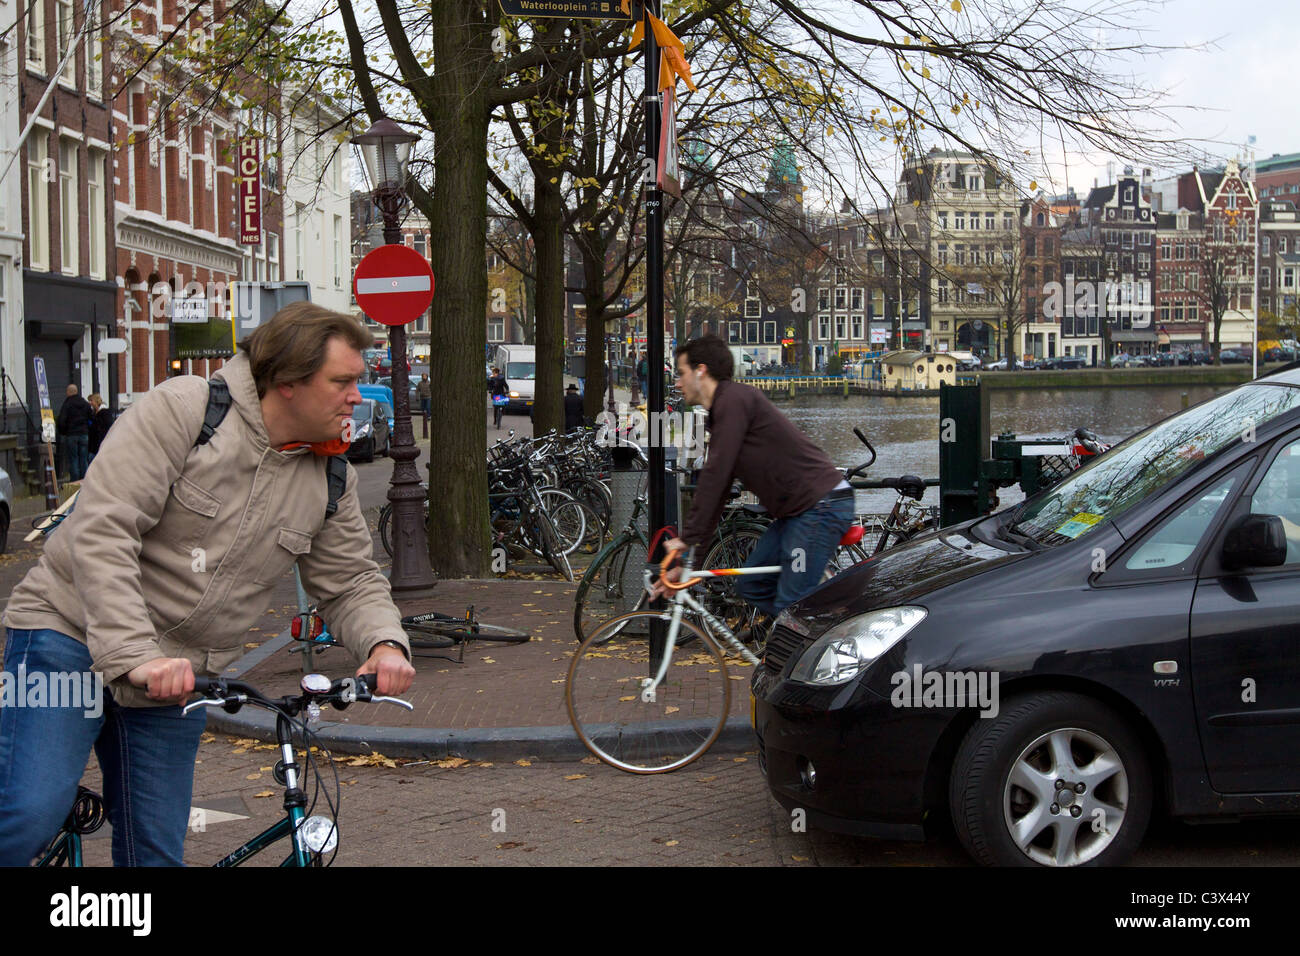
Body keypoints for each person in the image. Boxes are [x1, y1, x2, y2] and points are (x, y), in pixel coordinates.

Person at [0, 302, 416, 867]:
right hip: (68, 633)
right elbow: (104, 529)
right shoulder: (185, 412)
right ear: (288, 382)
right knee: (27, 814)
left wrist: (384, 643)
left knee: (156, 853)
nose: (355, 398)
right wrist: (135, 655)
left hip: (178, 674)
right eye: (343, 381)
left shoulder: (332, 472)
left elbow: (348, 580)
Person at [654, 334, 854, 630]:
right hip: (797, 512)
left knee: (791, 607)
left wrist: (686, 538)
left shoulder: (734, 401)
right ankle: (805, 637)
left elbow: (715, 473)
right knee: (750, 585)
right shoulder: (726, 409)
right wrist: (690, 566)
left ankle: (808, 647)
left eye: (681, 373)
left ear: (701, 370)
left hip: (820, 506)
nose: (678, 383)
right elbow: (719, 489)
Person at [56, 384, 93, 481]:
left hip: (72, 435)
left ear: (68, 392)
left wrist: (64, 432)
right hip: (84, 434)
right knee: (83, 458)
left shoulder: (67, 404)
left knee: (73, 459)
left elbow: (61, 421)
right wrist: (87, 429)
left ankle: (75, 481)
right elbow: (91, 418)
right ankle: (84, 480)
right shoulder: (85, 403)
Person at [87, 392, 113, 463]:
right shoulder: (95, 413)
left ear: (96, 401)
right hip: (95, 443)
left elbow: (101, 428)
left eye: (91, 401)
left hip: (99, 443)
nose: (90, 403)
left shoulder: (104, 413)